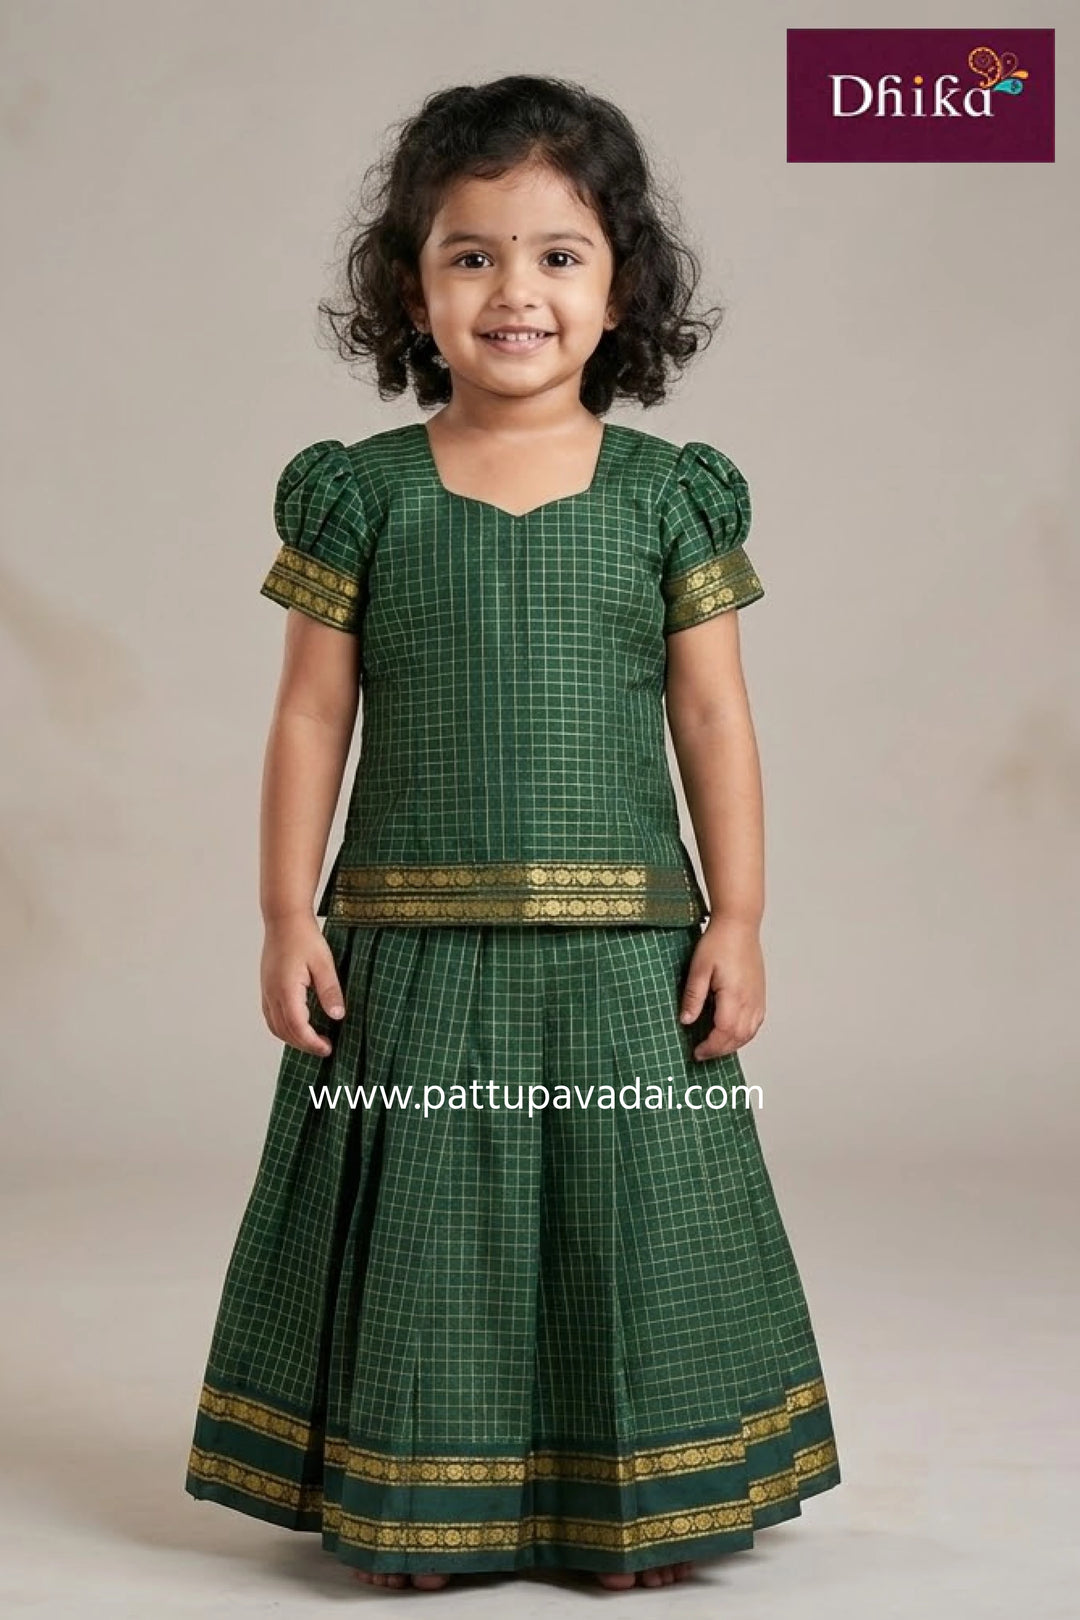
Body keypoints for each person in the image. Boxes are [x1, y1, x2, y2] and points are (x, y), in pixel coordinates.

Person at [184, 73, 841, 1594]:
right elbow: (309, 719)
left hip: (625, 950)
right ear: (410, 285)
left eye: (559, 255)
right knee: (436, 1230)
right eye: (470, 255)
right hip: (411, 945)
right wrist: (286, 915)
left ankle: (634, 1512)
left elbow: (714, 720)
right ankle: (426, 1509)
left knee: (630, 1222)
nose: (514, 292)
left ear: (623, 286)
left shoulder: (670, 498)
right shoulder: (359, 494)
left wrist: (739, 918)